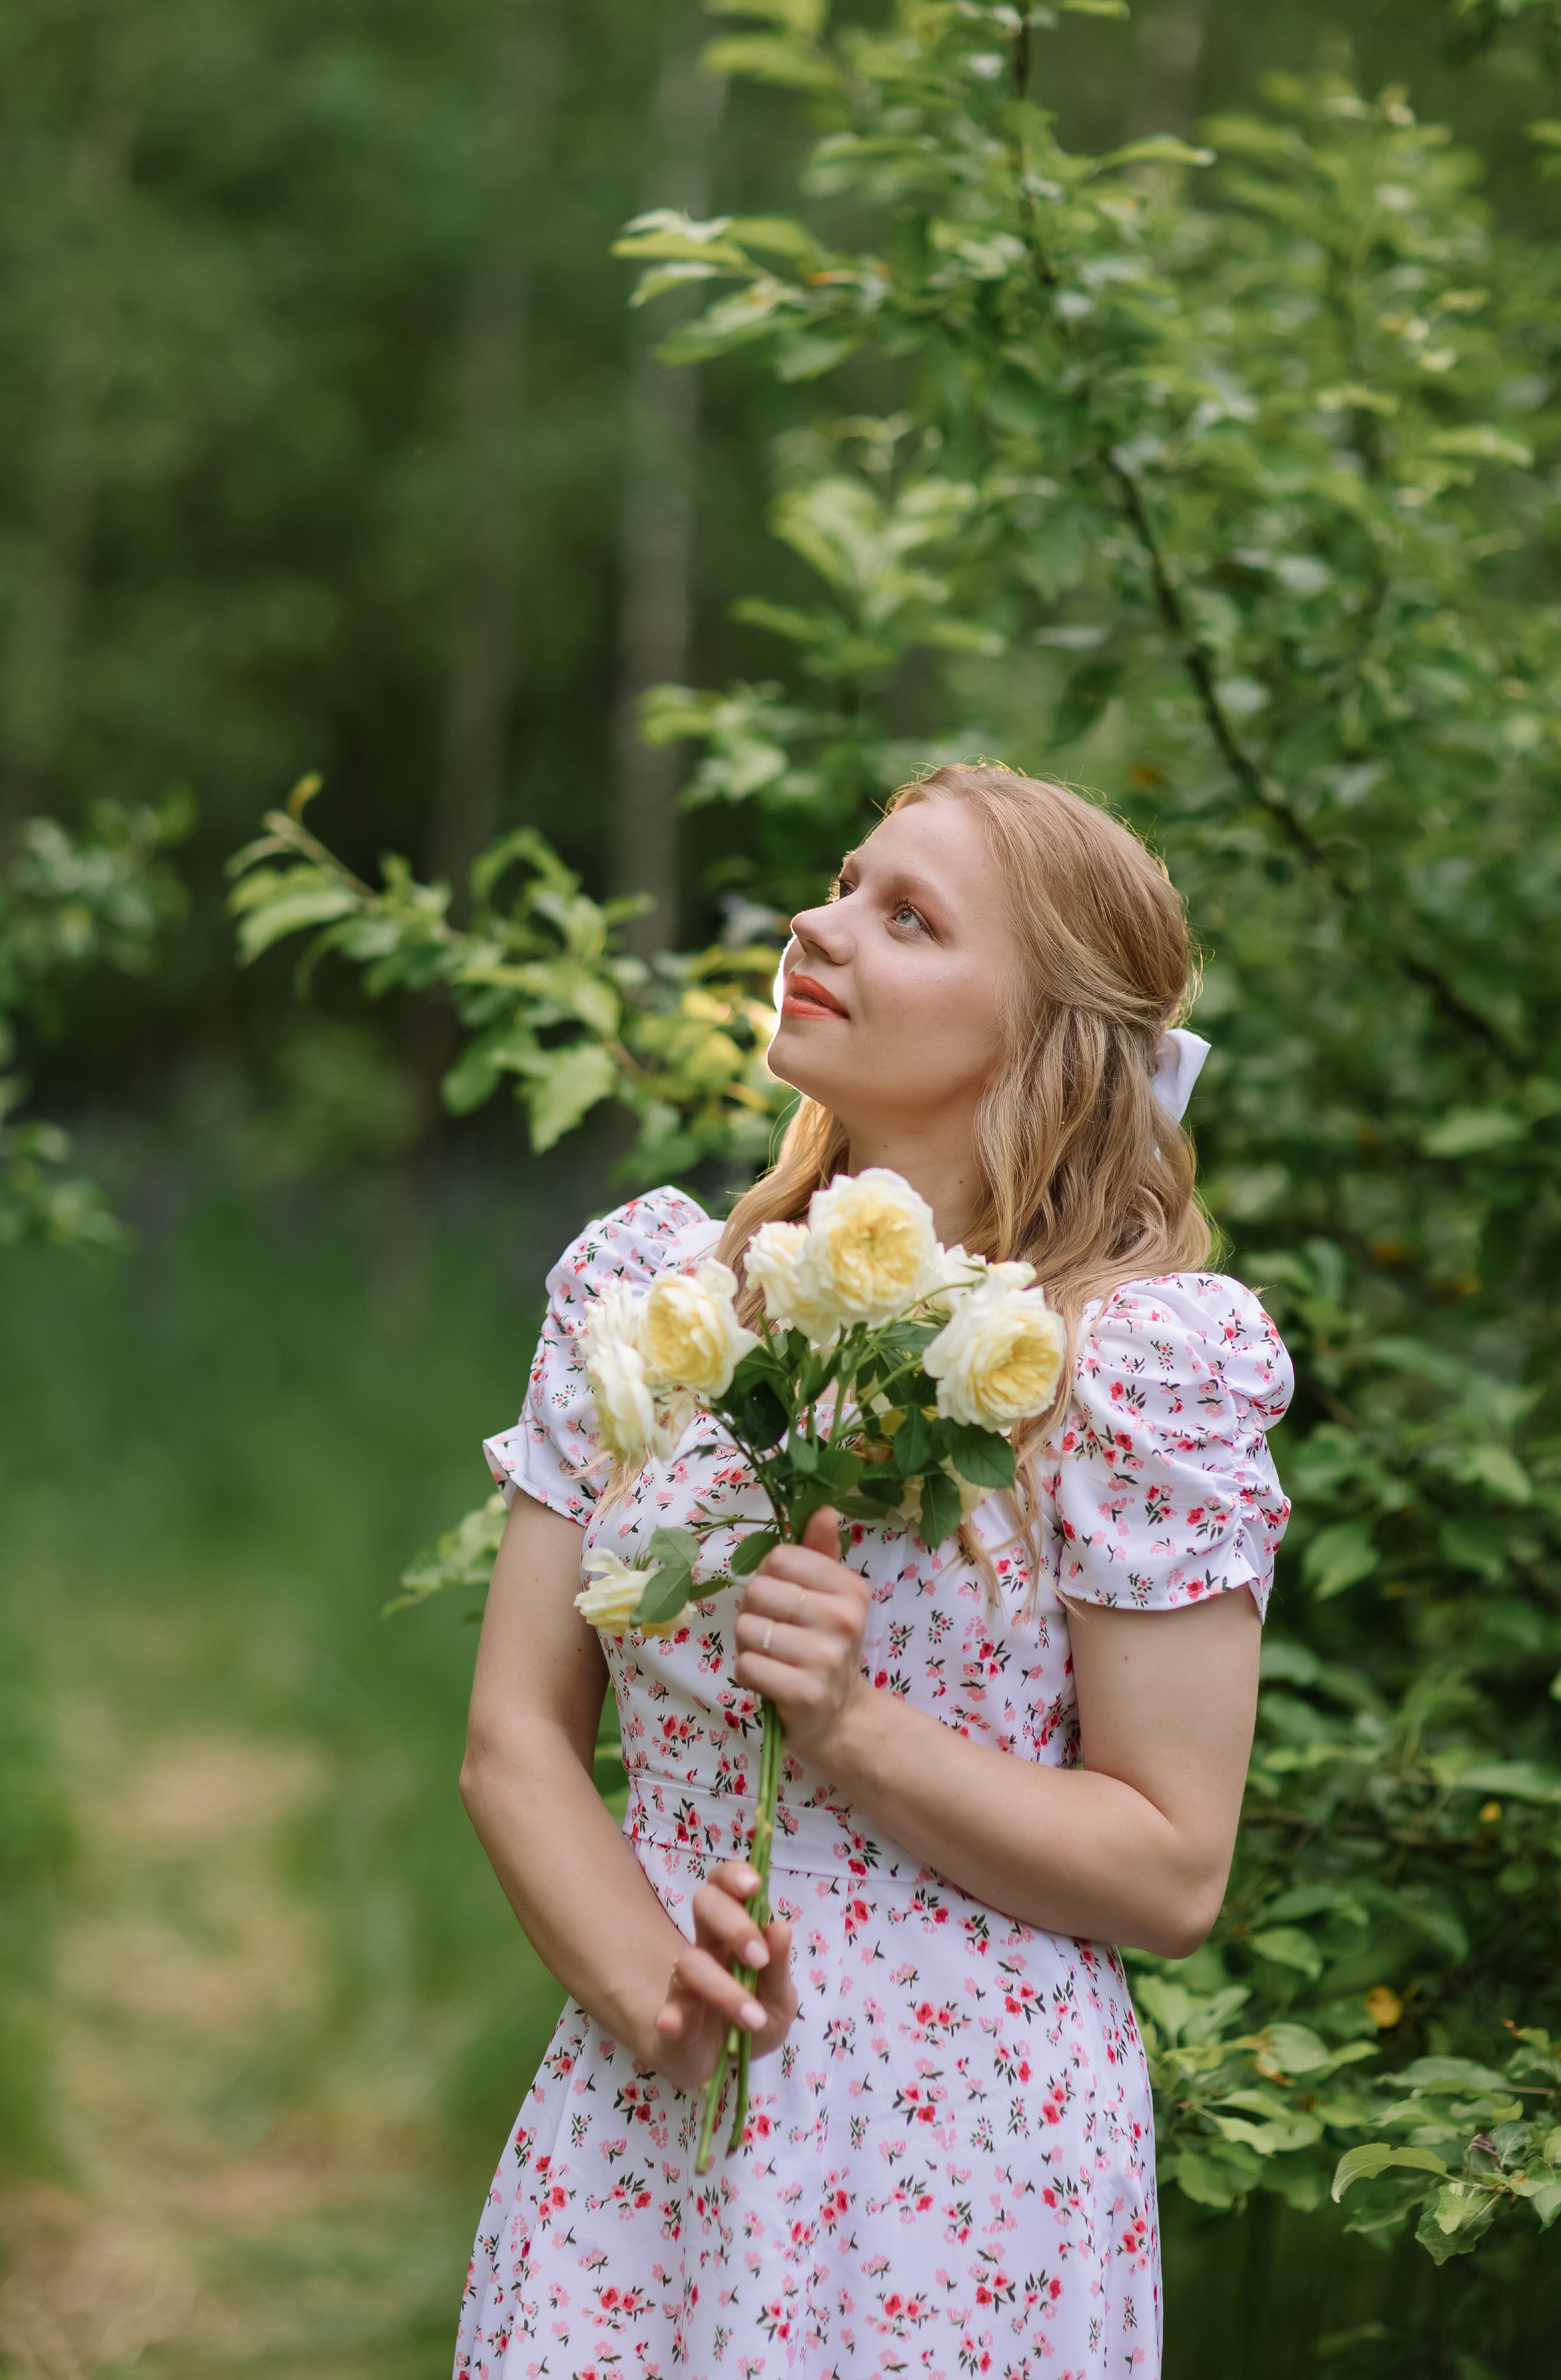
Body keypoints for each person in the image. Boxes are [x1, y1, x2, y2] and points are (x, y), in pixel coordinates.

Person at [454, 763, 1292, 2379]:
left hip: (969, 2170)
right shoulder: (653, 1302)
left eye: (905, 917)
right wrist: (662, 1997)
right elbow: (514, 1738)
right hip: (648, 2141)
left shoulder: (1134, 1366)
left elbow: (1173, 1868)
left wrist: (853, 1728)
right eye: (845, 885)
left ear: (1045, 1029)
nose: (818, 926)